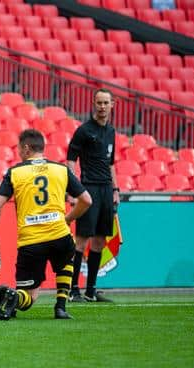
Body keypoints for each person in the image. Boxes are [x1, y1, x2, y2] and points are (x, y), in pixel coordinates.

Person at [0, 129, 92, 320]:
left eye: (19, 148)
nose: (18, 152)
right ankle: (60, 307)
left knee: (30, 297)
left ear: (26, 148)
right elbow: (86, 200)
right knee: (67, 258)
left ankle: (14, 297)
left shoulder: (15, 172)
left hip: (31, 242)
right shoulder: (61, 169)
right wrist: (67, 219)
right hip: (59, 235)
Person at [66, 88, 119, 303]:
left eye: (106, 103)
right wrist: (73, 189)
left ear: (112, 105)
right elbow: (70, 159)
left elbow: (111, 163)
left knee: (99, 241)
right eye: (99, 102)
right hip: (88, 189)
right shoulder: (84, 131)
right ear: (93, 103)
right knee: (81, 240)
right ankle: (73, 289)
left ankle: (91, 290)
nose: (102, 106)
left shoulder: (112, 132)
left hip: (106, 190)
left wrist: (115, 189)